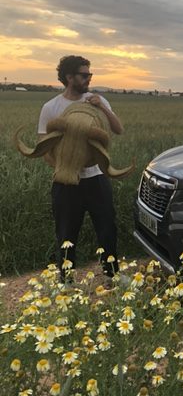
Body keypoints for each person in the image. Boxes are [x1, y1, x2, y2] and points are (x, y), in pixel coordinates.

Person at [38, 55, 124, 284]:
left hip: (97, 177)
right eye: (84, 75)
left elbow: (118, 129)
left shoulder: (97, 100)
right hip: (65, 181)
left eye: (90, 74)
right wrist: (66, 166)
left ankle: (112, 275)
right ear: (69, 77)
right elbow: (44, 146)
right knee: (66, 233)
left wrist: (103, 108)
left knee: (107, 228)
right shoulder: (51, 107)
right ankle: (66, 281)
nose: (89, 79)